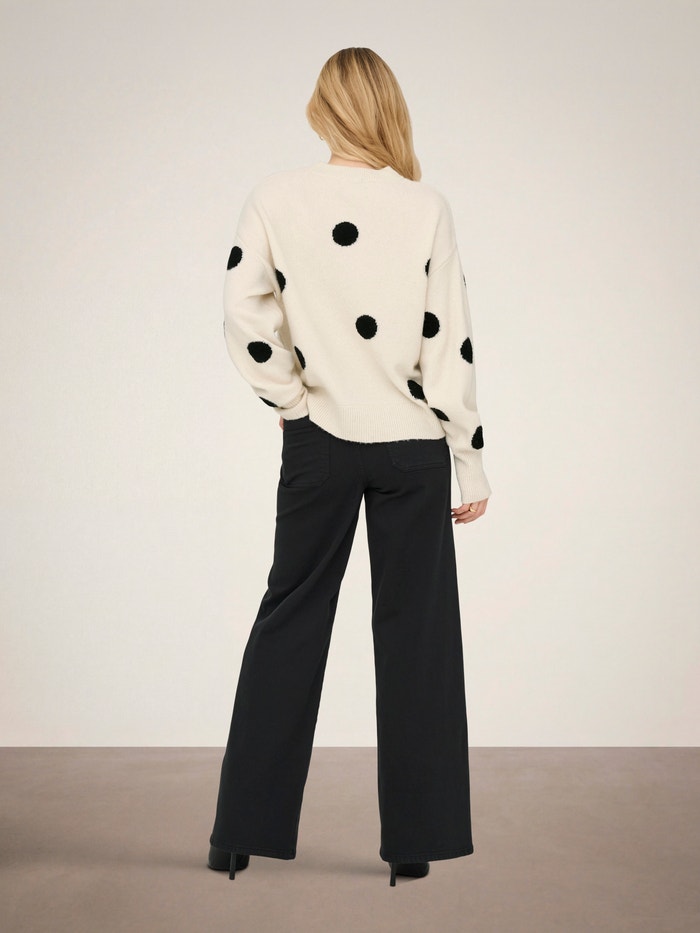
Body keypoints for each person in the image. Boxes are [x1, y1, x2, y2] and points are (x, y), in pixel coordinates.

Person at [207, 46, 492, 887]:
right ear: (387, 108)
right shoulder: (425, 206)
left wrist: (292, 401)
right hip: (411, 448)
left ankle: (238, 835)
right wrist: (469, 460)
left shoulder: (275, 197)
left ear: (321, 108)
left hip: (319, 442)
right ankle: (414, 843)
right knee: (418, 639)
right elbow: (448, 340)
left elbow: (242, 309)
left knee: (288, 622)